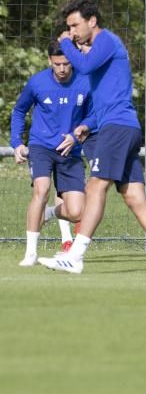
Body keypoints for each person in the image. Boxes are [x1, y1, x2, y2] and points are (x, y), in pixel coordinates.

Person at [38, 0, 146, 274]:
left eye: (75, 25)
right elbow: (100, 85)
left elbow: (82, 66)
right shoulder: (98, 50)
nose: (71, 31)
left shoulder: (107, 39)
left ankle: (76, 256)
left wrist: (68, 45)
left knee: (95, 186)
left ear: (92, 21)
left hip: (117, 129)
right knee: (134, 197)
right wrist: (88, 124)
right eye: (68, 27)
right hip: (122, 127)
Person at [10, 40, 92, 266]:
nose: (63, 69)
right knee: (42, 189)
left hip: (71, 150)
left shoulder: (85, 82)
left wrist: (75, 136)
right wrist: (17, 142)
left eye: (66, 64)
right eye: (58, 64)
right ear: (50, 62)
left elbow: (93, 116)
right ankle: (31, 253)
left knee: (77, 212)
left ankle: (49, 213)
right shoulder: (37, 82)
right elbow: (18, 111)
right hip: (41, 146)